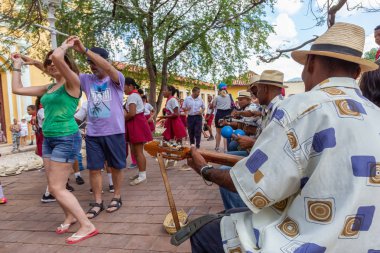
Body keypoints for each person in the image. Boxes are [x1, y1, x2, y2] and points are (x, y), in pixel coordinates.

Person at [183, 22, 380, 253]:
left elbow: (251, 183)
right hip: (367, 243)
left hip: (308, 241)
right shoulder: (376, 113)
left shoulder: (300, 107)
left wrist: (204, 169)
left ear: (311, 63)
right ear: (356, 72)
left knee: (202, 231)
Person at [11, 37, 98, 244]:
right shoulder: (49, 88)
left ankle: (87, 225)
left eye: (54, 62)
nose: (51, 64)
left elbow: (58, 56)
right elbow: (17, 90)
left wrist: (66, 45)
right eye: (47, 63)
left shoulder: (72, 83)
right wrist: (16, 66)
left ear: (66, 64)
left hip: (66, 138)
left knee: (57, 188)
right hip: (49, 139)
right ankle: (69, 216)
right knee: (53, 185)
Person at [71, 39, 126, 217]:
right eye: (90, 63)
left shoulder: (116, 79)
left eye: (95, 62)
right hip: (93, 133)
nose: (92, 66)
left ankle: (117, 197)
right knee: (94, 168)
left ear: (104, 61)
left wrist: (85, 50)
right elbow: (65, 72)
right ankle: (97, 201)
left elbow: (109, 69)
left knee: (115, 167)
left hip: (115, 131)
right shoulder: (86, 80)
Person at [124, 77, 153, 185]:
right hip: (135, 123)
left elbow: (131, 113)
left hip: (136, 123)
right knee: (135, 151)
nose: (123, 89)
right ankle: (141, 172)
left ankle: (142, 175)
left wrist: (122, 119)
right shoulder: (134, 95)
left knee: (138, 151)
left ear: (130, 86)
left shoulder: (132, 96)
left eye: (124, 86)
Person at [212, 83, 234, 152]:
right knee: (226, 131)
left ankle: (217, 147)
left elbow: (213, 106)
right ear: (226, 88)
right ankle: (225, 149)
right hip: (227, 114)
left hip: (219, 114)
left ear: (219, 89)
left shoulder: (217, 97)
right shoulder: (230, 96)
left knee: (218, 132)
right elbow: (232, 105)